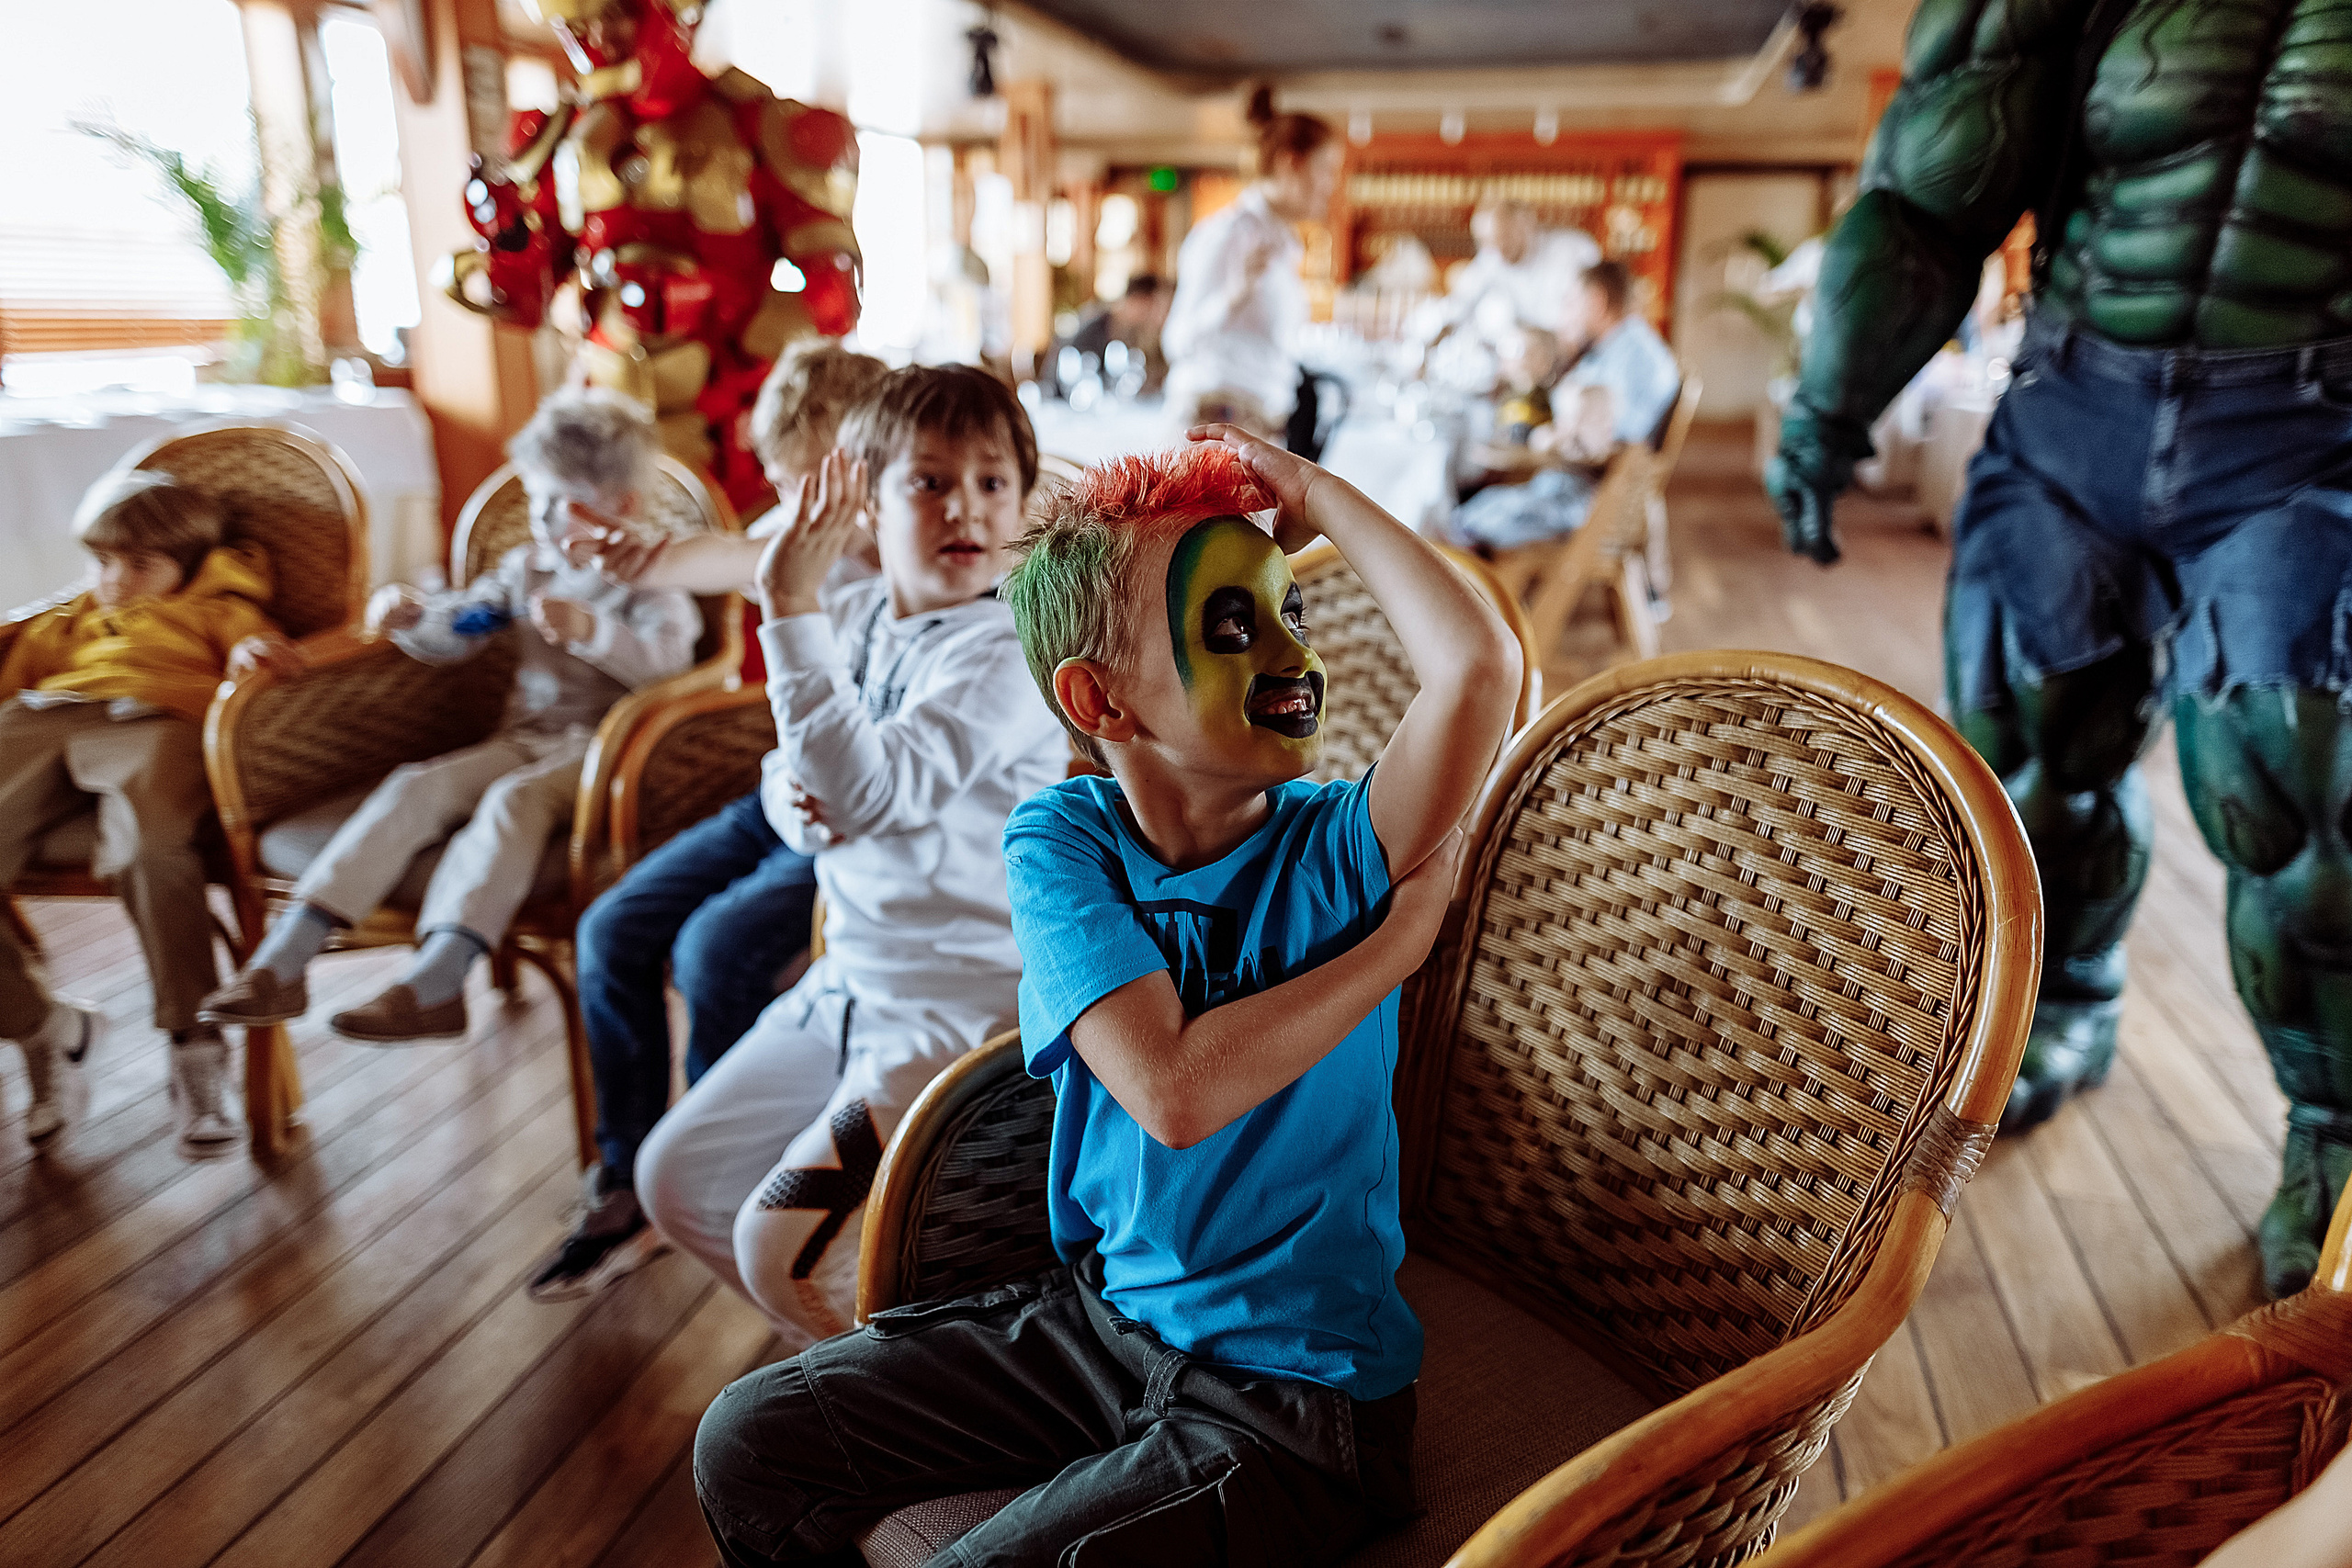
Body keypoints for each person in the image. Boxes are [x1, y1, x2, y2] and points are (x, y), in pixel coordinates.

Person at [690, 430, 1522, 1566]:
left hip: (1291, 1397)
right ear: (1102, 701)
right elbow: (1173, 1088)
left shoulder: (1340, 847)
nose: (1290, 652)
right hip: (1101, 1324)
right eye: (1234, 627)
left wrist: (1314, 493)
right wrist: (1393, 953)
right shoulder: (1062, 839)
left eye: (1293, 616)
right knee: (748, 1436)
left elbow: (1479, 665)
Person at [1765, 0, 2352, 1296]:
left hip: (2313, 433)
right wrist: (1827, 405)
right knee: (2027, 772)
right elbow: (1929, 200)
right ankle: (2070, 1006)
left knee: (2298, 797)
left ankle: (2336, 1131)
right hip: (2077, 400)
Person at [633, 365, 1069, 1347]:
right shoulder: (868, 615)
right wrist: (792, 805)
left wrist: (787, 603)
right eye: (929, 481)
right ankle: (850, 1376)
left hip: (959, 1018)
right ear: (867, 504)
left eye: (993, 482)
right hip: (850, 986)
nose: (965, 505)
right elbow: (800, 781)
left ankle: (903, 1421)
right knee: (677, 1179)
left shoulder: (1003, 649)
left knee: (775, 1247)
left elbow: (869, 791)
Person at [523, 341, 889, 1303]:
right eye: (776, 482)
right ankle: (629, 1175)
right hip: (774, 800)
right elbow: (729, 553)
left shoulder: (913, 562)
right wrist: (637, 554)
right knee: (611, 929)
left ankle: (736, 1176)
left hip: (844, 824)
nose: (783, 502)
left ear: (859, 469)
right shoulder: (796, 535)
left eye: (796, 480)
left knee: (714, 951)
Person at [198, 389, 698, 1044]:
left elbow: (672, 669)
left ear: (621, 505)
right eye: (536, 498)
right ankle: (285, 958)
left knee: (512, 802)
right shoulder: (528, 571)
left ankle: (439, 976)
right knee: (418, 783)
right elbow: (465, 626)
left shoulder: (651, 576)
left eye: (560, 502)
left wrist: (593, 630)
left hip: (611, 749)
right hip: (527, 737)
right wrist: (416, 618)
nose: (541, 518)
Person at [0, 471, 296, 1156]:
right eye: (103, 562)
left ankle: (195, 1044)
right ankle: (44, 1026)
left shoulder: (218, 606)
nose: (116, 580)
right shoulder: (69, 618)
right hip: (48, 715)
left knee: (150, 850)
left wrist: (249, 655)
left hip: (161, 718)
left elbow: (257, 655)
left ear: (190, 565)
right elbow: (19, 672)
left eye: (140, 565)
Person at [1452, 261, 1680, 550]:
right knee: (1468, 515)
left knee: (1460, 527)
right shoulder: (1610, 351)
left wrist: (1557, 437)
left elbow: (1616, 440)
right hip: (1569, 491)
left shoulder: (1639, 359)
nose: (1565, 314)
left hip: (1586, 508)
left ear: (1597, 301)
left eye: (1571, 302)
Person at [1160, 86, 1343, 442]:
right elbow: (1176, 341)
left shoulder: (1281, 242)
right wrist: (1232, 297)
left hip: (1259, 427)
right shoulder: (1227, 235)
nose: (1331, 185)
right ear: (1290, 163)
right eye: (1326, 169)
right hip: (1216, 431)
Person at [1417, 198, 1602, 389]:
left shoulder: (1574, 250)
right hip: (1529, 368)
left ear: (1526, 224)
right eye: (1487, 242)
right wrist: (1426, 350)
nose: (1498, 249)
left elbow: (1598, 312)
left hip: (1581, 364)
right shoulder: (1493, 258)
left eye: (1504, 237)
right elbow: (1458, 306)